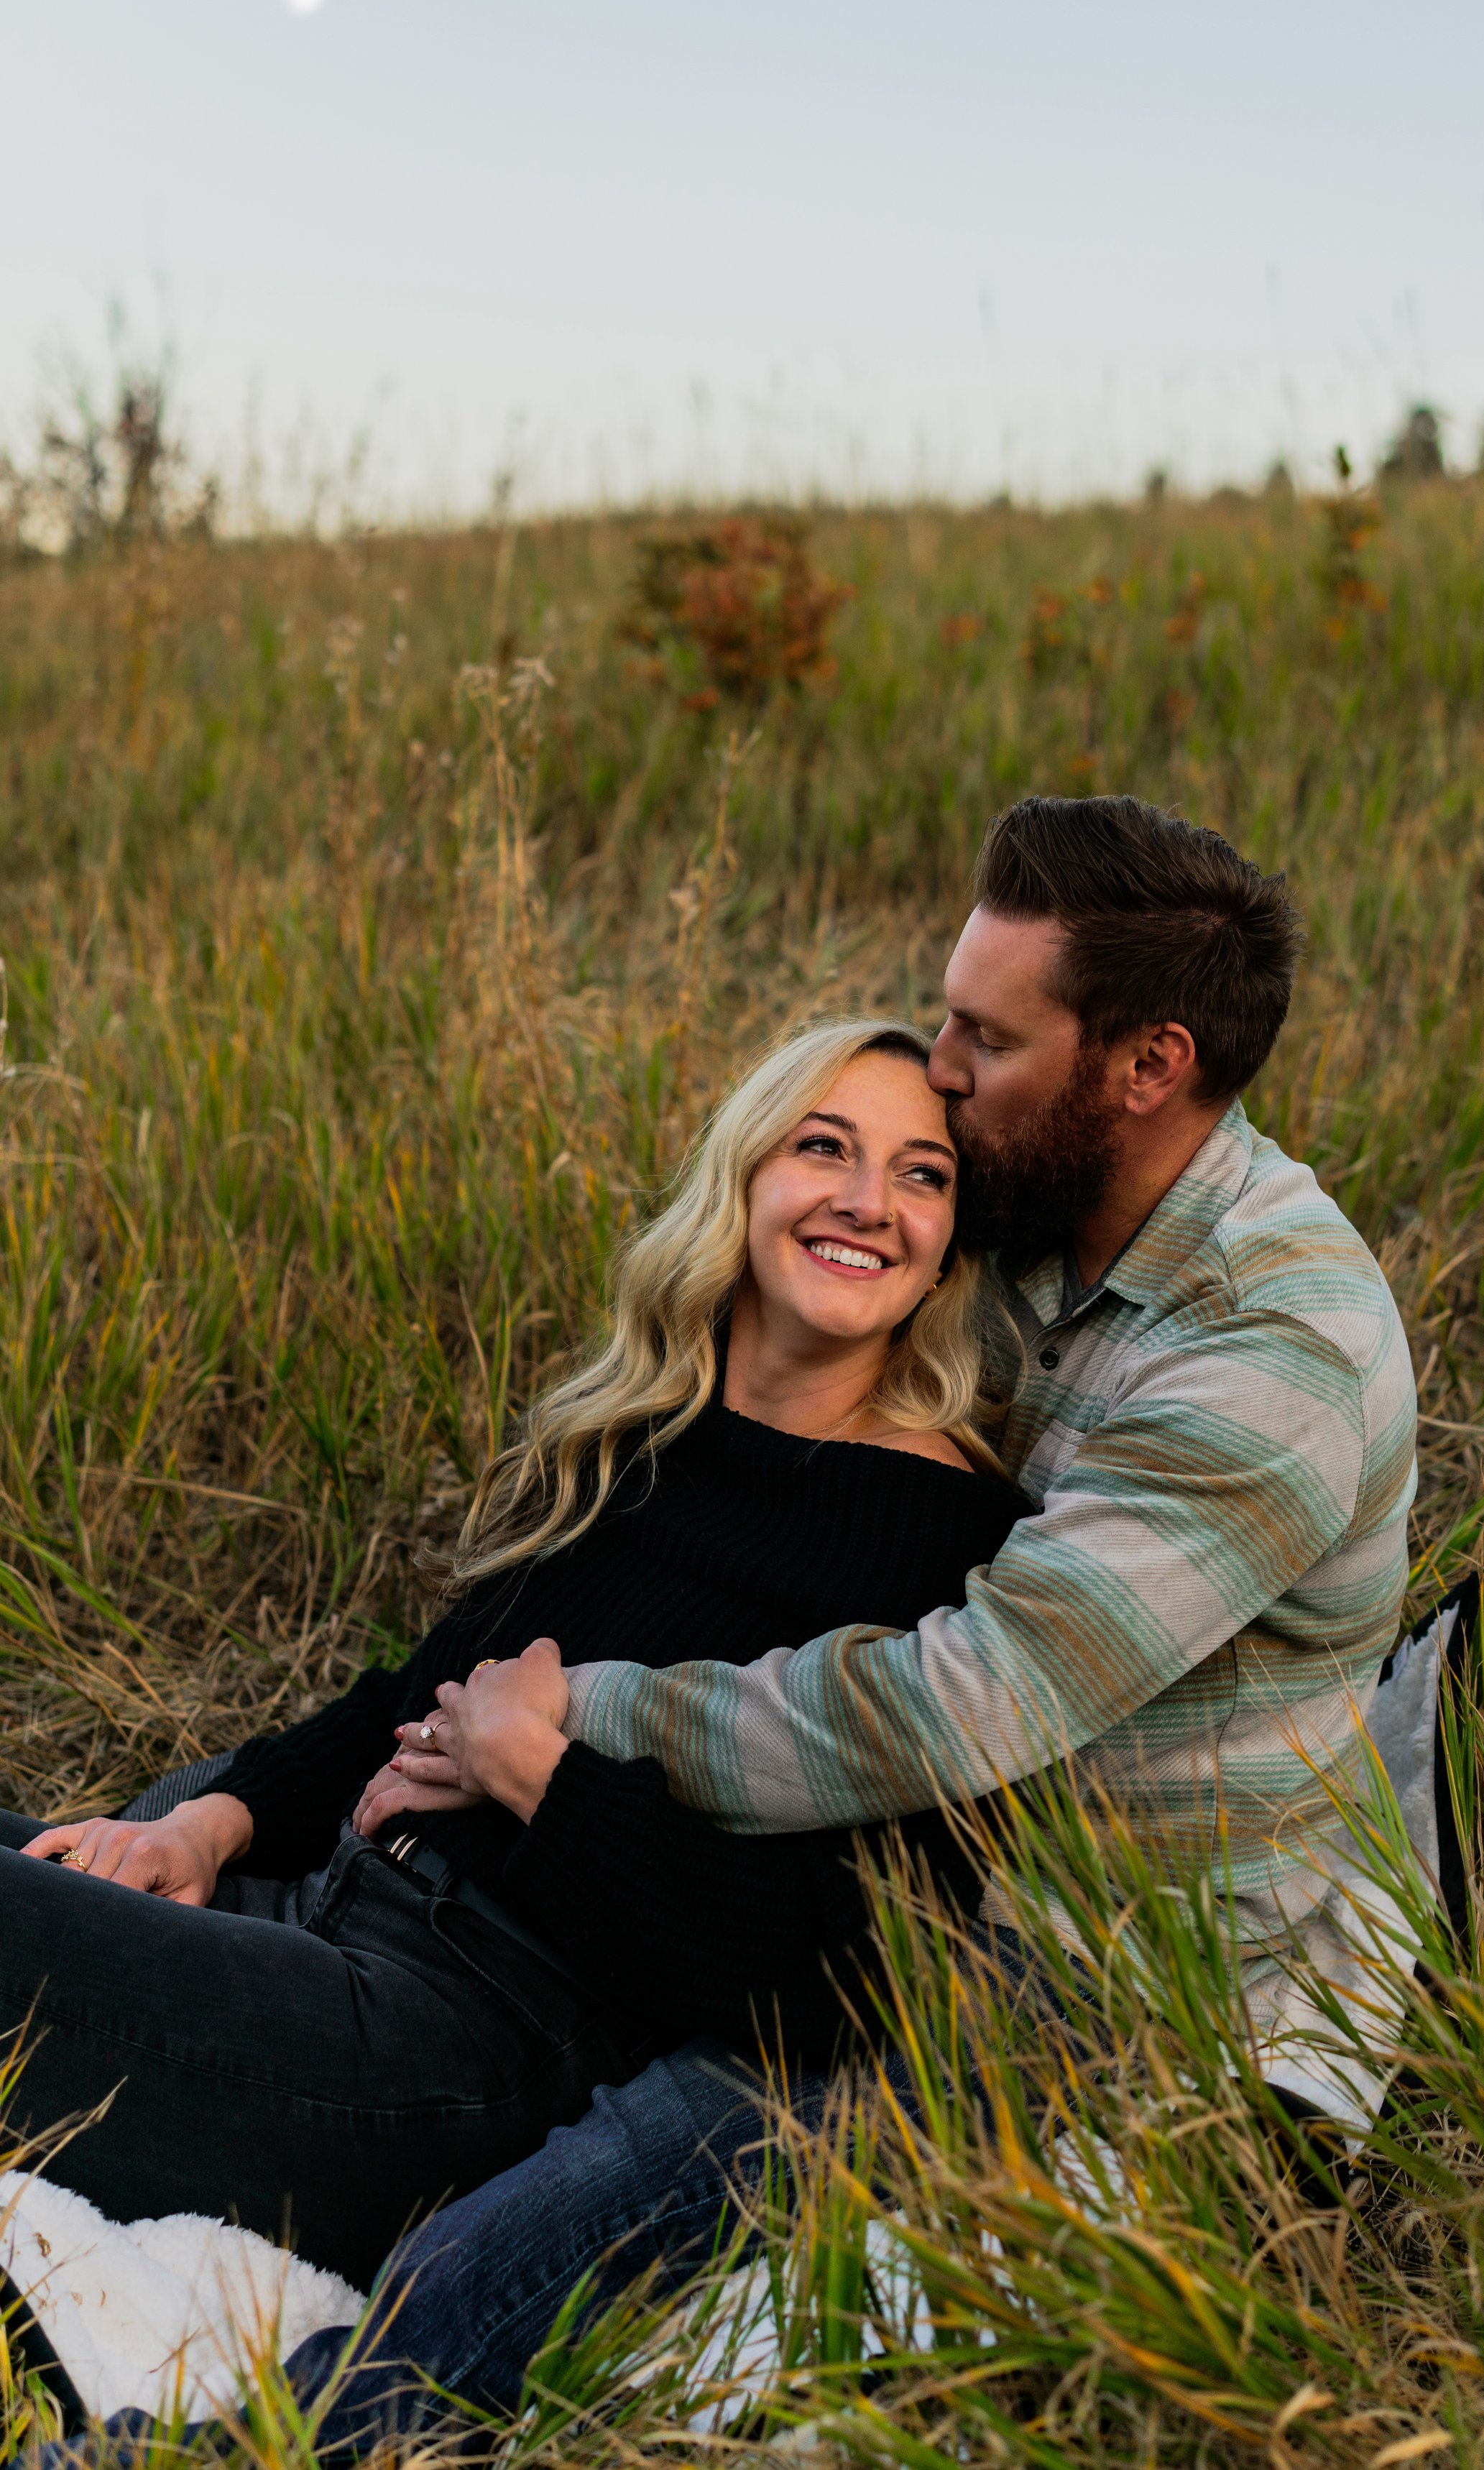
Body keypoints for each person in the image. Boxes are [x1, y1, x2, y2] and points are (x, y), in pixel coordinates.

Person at [262, 792, 1418, 2449]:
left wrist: (576, 1715)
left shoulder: (1267, 1355)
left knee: (649, 2166)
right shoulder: (1046, 1222)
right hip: (897, 1865)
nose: (938, 1066)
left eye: (980, 1037)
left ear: (1144, 1066)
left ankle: (297, 2438)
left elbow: (954, 1705)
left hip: (1091, 1968)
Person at [0, 1021, 1024, 2301]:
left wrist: (538, 1773)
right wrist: (212, 1823)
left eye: (923, 1175)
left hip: (451, 2060)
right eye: (826, 1146)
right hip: (326, 1910)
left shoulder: (949, 1543)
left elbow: (856, 1963)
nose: (870, 1203)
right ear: (747, 1177)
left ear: (950, 1248)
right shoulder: (648, 1433)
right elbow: (415, 1693)